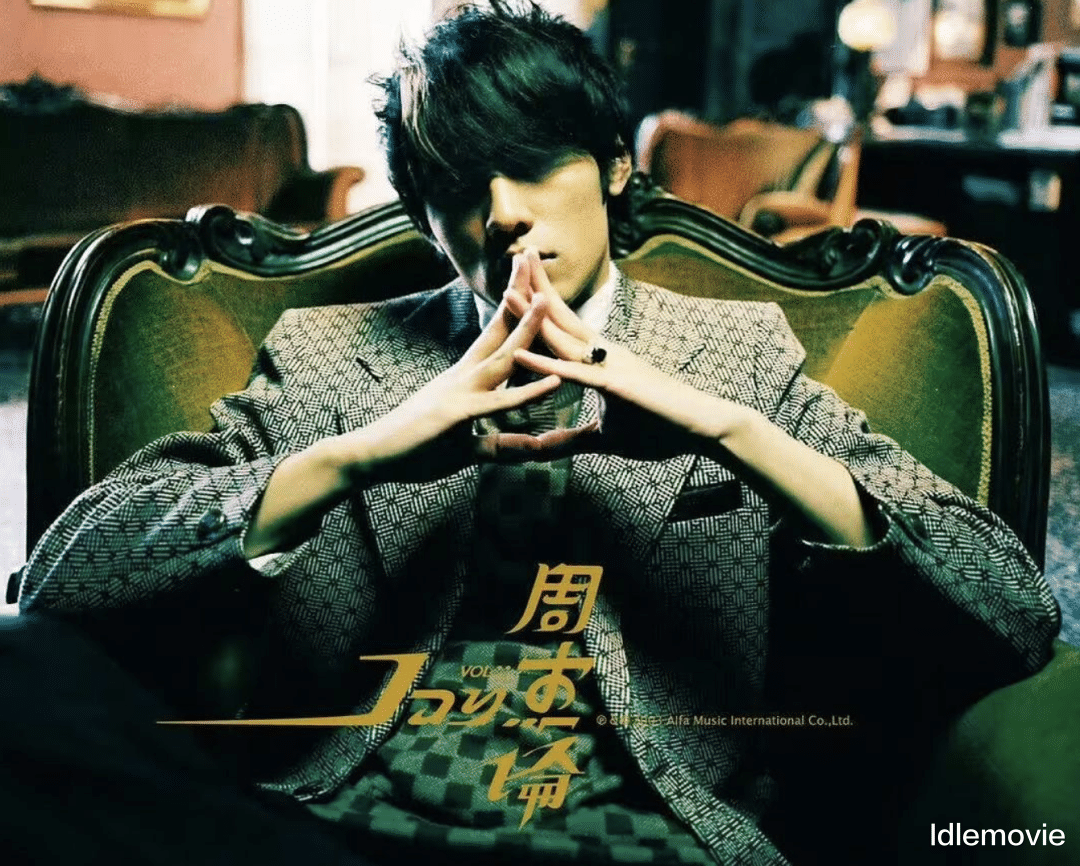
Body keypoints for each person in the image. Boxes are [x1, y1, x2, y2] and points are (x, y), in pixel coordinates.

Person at [10, 2, 1061, 864]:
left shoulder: (738, 355)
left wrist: (730, 430)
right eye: (459, 185)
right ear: (424, 218)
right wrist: (359, 453)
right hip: (344, 824)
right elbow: (61, 577)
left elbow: (1012, 602)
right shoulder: (329, 354)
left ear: (613, 168)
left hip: (649, 832)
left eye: (535, 164)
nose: (505, 212)